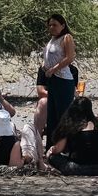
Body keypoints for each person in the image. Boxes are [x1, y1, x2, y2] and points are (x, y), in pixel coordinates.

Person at [37, 13, 77, 158]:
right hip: (51, 79)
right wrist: (45, 65)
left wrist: (54, 68)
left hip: (63, 80)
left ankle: (66, 148)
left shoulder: (66, 38)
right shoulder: (52, 39)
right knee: (52, 115)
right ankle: (51, 149)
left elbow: (70, 57)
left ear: (62, 25)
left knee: (63, 115)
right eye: (50, 25)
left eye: (55, 24)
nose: (52, 27)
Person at [47, 96, 98, 175]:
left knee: (52, 157)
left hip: (78, 168)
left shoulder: (71, 126)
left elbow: (57, 149)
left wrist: (51, 151)